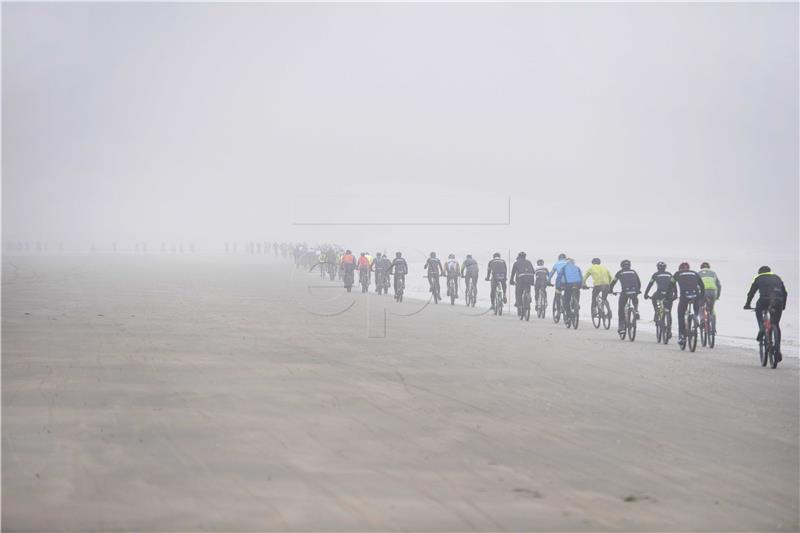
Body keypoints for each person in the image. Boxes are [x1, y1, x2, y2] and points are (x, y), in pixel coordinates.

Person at [744, 266, 788, 361]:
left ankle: (761, 328)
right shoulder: (777, 277)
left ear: (760, 272)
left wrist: (747, 304)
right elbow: (785, 293)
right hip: (778, 301)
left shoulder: (758, 278)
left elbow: (751, 293)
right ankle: (777, 349)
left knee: (759, 309)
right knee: (776, 324)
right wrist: (783, 305)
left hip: (764, 300)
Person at [673, 262, 705, 347]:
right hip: (695, 295)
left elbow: (671, 284)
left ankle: (682, 337)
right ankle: (696, 318)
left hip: (684, 296)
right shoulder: (695, 273)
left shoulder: (677, 273)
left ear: (680, 269)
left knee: (680, 315)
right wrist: (701, 298)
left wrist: (671, 295)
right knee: (695, 310)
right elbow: (702, 285)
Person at [610, 259, 642, 334]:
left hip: (625, 291)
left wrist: (610, 290)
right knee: (634, 296)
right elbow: (639, 282)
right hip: (635, 290)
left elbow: (613, 282)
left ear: (621, 266)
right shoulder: (634, 272)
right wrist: (638, 290)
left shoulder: (620, 272)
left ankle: (621, 327)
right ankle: (636, 310)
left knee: (621, 308)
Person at [698, 262, 722, 326]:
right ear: (709, 267)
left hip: (703, 291)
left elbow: (696, 286)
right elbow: (719, 286)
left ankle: (702, 319)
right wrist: (717, 296)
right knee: (711, 309)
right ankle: (713, 327)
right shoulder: (713, 273)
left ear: (701, 267)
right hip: (712, 291)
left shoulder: (698, 273)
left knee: (701, 306)